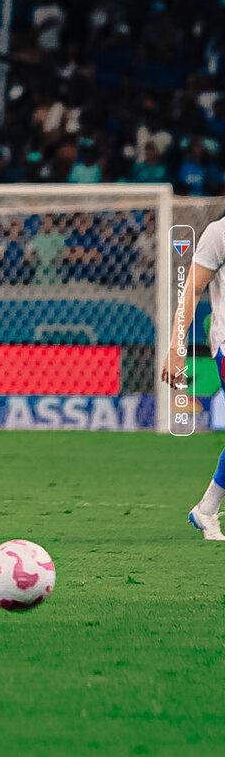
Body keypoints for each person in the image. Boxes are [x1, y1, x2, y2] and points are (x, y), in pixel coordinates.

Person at [166, 214, 225, 541]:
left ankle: (206, 509)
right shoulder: (219, 233)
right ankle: (207, 509)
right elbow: (191, 291)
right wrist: (177, 348)